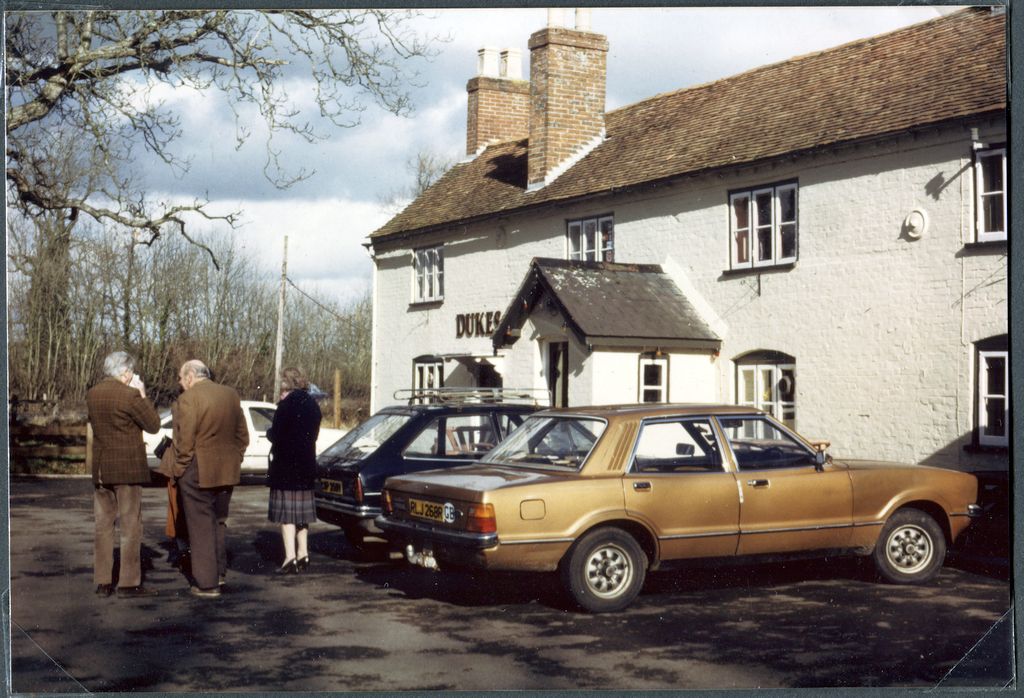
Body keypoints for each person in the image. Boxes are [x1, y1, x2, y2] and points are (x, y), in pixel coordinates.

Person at [86, 351, 161, 598]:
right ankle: (129, 583)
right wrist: (142, 393)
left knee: (103, 525)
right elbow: (153, 425)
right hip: (127, 469)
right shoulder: (130, 395)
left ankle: (103, 582)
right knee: (130, 525)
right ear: (126, 373)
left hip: (100, 469)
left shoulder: (93, 394)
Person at [173, 360, 248, 598]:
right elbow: (242, 436)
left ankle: (207, 584)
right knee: (218, 522)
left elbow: (185, 443)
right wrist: (235, 457)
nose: (179, 382)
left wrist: (180, 468)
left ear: (191, 376)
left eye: (180, 377)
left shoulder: (189, 398)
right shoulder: (230, 394)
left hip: (197, 469)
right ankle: (219, 573)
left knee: (200, 526)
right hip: (227, 469)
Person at [266, 367, 322, 574]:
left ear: (286, 384)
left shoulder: (285, 406)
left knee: (287, 516)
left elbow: (277, 435)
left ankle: (290, 557)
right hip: (306, 466)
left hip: (286, 468)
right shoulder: (313, 406)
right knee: (302, 515)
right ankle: (303, 553)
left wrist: (269, 433)